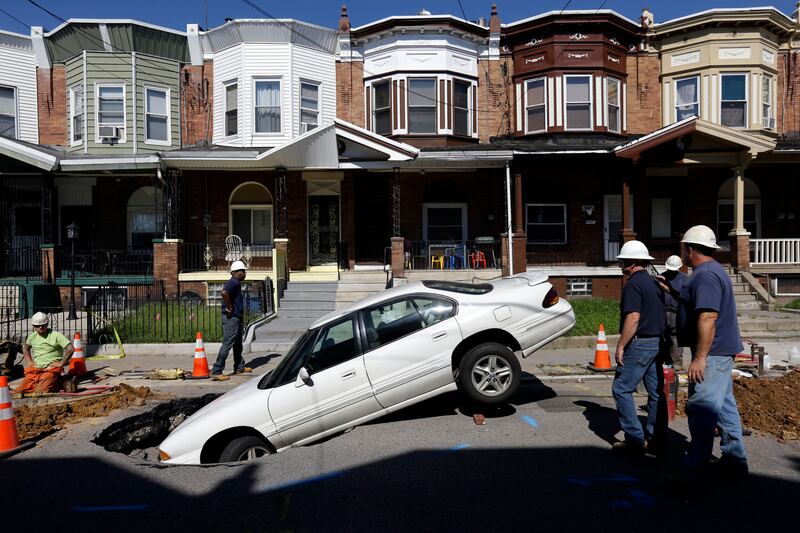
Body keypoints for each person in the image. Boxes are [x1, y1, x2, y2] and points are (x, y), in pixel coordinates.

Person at [668, 225, 748, 478]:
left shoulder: (705, 275)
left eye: (685, 248)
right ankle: (734, 460)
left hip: (712, 354)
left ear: (690, 250)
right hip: (719, 351)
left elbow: (708, 317)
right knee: (723, 407)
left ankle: (694, 470)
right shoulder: (713, 271)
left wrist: (700, 358)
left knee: (702, 409)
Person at [612, 240, 667, 455]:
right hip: (656, 343)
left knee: (621, 388)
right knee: (655, 393)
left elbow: (633, 318)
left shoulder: (633, 285)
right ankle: (657, 438)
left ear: (633, 262)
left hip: (639, 343)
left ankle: (635, 439)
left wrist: (621, 346)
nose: (621, 265)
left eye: (624, 261)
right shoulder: (654, 283)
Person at [211, 260, 251, 380]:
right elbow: (224, 292)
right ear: (235, 272)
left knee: (238, 343)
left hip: (236, 317)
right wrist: (230, 306)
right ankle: (216, 371)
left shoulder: (236, 282)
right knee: (227, 344)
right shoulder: (233, 282)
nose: (244, 273)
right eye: (242, 271)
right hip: (231, 318)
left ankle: (239, 367)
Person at [15, 312, 74, 394]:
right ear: (33, 326)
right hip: (36, 369)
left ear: (47, 324)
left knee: (41, 391)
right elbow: (25, 348)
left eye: (43, 325)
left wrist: (62, 363)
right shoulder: (33, 336)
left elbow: (70, 348)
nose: (40, 327)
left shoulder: (56, 335)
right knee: (20, 390)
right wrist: (29, 361)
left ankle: (58, 381)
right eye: (37, 326)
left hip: (51, 369)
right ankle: (50, 382)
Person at [661, 255, 690, 369]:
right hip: (663, 312)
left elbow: (686, 297)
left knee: (675, 337)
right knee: (664, 337)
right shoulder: (661, 277)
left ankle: (677, 362)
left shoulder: (685, 279)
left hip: (677, 312)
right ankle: (666, 360)